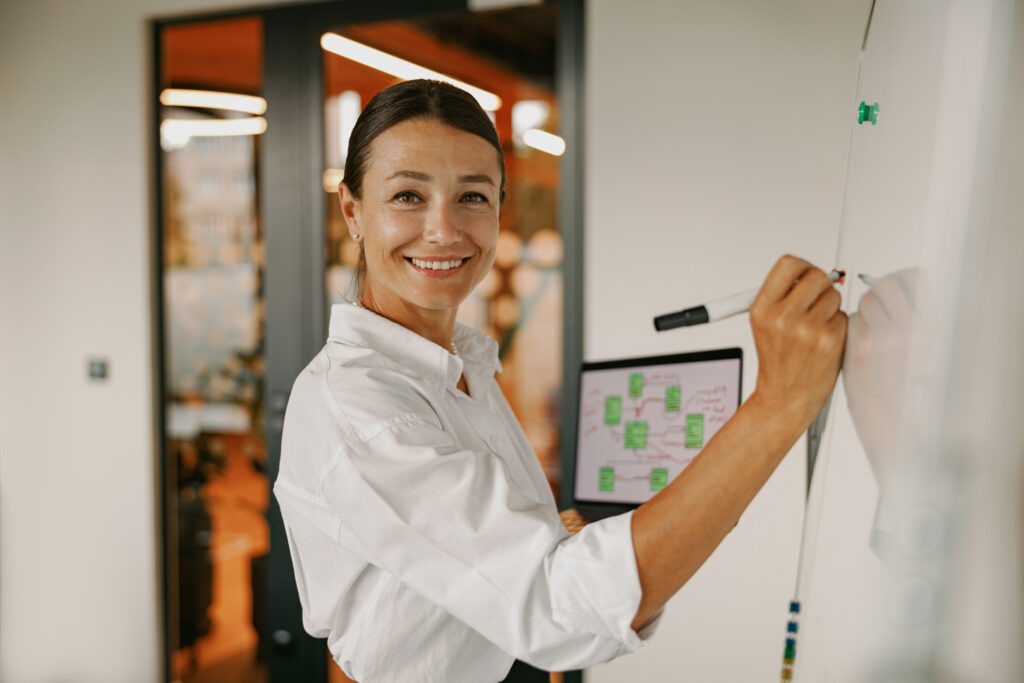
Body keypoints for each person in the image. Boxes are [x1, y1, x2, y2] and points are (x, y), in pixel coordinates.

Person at [273, 79, 847, 683]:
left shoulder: (458, 365)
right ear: (352, 211)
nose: (443, 230)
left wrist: (546, 535)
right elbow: (554, 610)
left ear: (499, 209)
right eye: (408, 196)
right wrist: (779, 403)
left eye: (472, 197)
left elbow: (478, 560)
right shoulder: (363, 406)